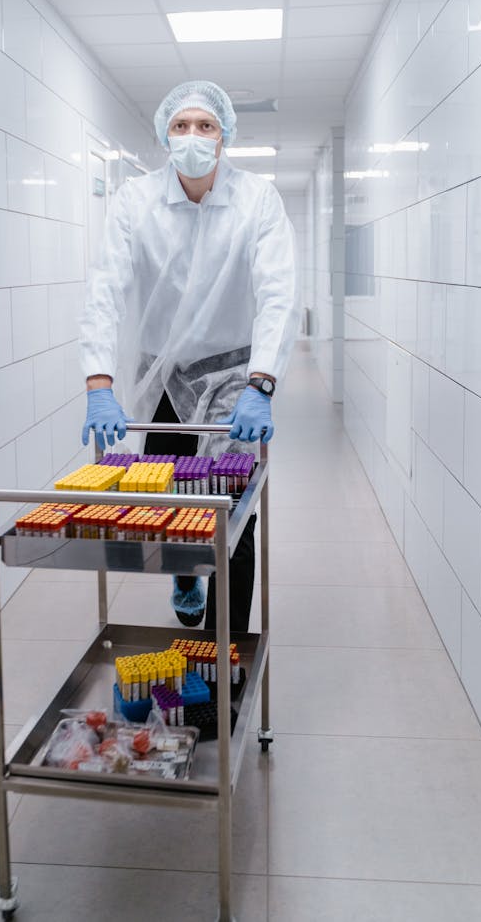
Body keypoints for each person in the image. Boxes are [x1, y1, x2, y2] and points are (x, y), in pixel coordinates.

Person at [78, 80, 298, 631]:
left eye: (206, 126)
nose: (193, 137)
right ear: (164, 135)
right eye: (181, 126)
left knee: (233, 515)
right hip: (164, 377)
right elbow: (106, 289)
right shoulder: (136, 201)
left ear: (225, 137)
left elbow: (279, 293)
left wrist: (262, 383)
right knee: (169, 503)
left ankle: (225, 657)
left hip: (232, 378)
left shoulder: (256, 200)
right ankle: (184, 574)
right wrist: (98, 384)